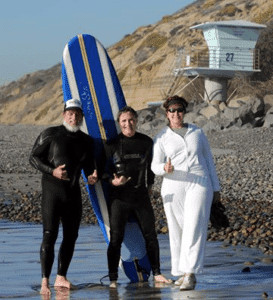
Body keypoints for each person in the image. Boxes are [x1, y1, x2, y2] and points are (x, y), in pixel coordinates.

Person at [151, 95, 220, 290]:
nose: (176, 114)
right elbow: (154, 165)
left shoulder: (197, 132)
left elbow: (208, 160)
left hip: (199, 182)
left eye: (179, 110)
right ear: (167, 113)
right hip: (173, 185)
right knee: (177, 229)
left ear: (184, 111)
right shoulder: (162, 137)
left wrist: (216, 189)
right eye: (172, 111)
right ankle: (181, 272)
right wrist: (164, 168)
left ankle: (190, 273)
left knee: (194, 226)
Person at [29, 98, 98, 295]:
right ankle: (45, 280)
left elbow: (88, 166)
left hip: (73, 194)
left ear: (81, 117)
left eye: (77, 114)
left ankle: (61, 276)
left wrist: (93, 175)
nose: (73, 117)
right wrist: (52, 171)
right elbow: (33, 157)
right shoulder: (51, 134)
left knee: (71, 236)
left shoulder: (86, 141)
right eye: (70, 113)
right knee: (50, 235)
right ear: (63, 114)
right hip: (52, 193)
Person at [104, 106, 172, 288]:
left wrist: (149, 185)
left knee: (151, 236)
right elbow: (103, 174)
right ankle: (113, 279)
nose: (128, 124)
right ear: (119, 123)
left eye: (131, 120)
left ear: (137, 120)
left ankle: (157, 273)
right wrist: (113, 182)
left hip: (141, 198)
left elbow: (152, 168)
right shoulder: (111, 145)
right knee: (116, 239)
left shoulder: (146, 142)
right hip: (119, 199)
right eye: (124, 121)